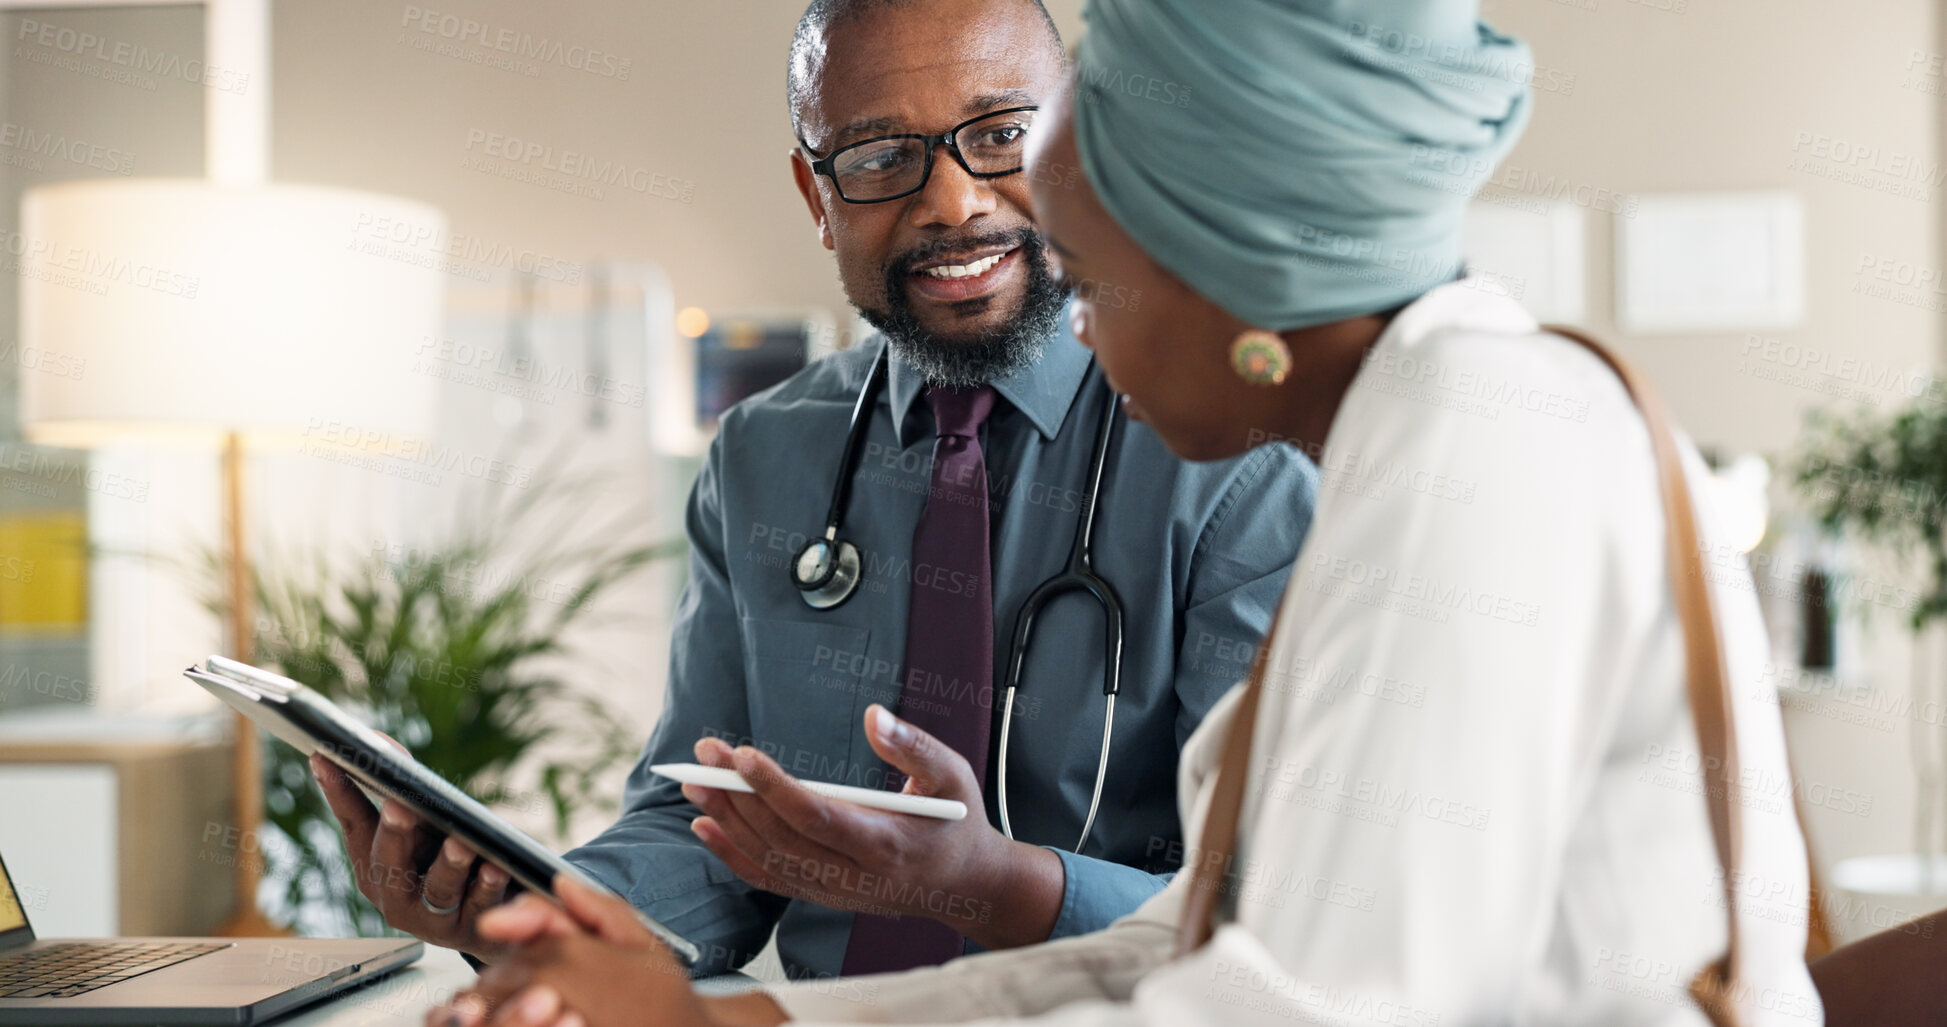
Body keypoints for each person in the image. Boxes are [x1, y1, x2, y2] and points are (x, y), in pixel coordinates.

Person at [421, 0, 1827, 1024]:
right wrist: (755, 1014)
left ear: (1224, 261)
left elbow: (1299, 1009)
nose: (1077, 333)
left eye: (1086, 278)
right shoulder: (1433, 415)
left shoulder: (1474, 444)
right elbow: (1178, 939)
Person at [313, 0, 1316, 985]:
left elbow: (1277, 902)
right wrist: (533, 911)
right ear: (815, 194)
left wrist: (996, 884)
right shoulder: (762, 453)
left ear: (1075, 147)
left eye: (1003, 134)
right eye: (881, 157)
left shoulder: (1231, 446)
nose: (954, 202)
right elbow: (698, 822)